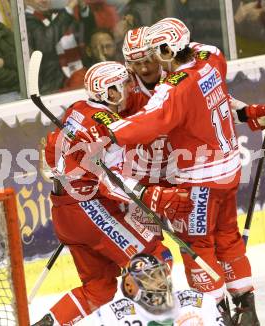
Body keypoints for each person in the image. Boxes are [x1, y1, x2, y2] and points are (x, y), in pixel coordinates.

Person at [83, 17, 265, 325]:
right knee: (154, 252)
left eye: (149, 57)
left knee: (198, 247)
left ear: (161, 52)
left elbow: (183, 105)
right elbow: (103, 117)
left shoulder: (172, 83)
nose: (145, 67)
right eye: (134, 62)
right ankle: (155, 313)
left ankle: (221, 313)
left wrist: (244, 112)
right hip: (147, 181)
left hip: (189, 178)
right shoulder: (126, 91)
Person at [31, 61, 193, 326]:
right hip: (89, 209)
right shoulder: (111, 127)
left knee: (99, 288)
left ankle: (49, 324)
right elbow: (112, 181)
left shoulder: (75, 110)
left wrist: (71, 176)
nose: (129, 88)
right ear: (111, 92)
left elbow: (49, 158)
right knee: (156, 258)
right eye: (123, 84)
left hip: (65, 212)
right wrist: (153, 196)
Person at [86, 253, 228, 325]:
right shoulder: (112, 316)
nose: (159, 284)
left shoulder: (198, 302)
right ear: (130, 288)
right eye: (148, 279)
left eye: (159, 276)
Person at [25, 0, 95, 93]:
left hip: (78, 75)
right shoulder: (25, 21)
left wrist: (83, 8)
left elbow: (88, 35)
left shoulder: (58, 15)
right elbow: (45, 43)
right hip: (52, 85)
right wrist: (69, 8)